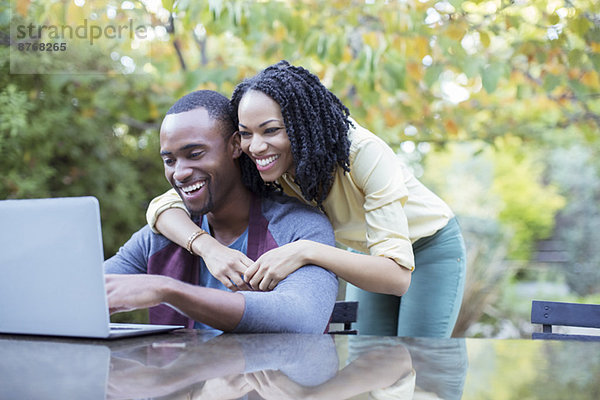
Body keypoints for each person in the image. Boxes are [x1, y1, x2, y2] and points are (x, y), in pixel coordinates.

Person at [145, 61, 466, 338]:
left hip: (427, 247)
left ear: (301, 127)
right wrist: (208, 248)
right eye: (246, 133)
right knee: (373, 361)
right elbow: (163, 207)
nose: (255, 146)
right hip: (369, 250)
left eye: (270, 130)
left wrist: (305, 250)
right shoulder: (261, 160)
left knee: (422, 364)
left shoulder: (362, 153)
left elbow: (396, 278)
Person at [104, 89, 338, 334]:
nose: (180, 173)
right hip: (183, 372)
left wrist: (170, 291)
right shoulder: (161, 237)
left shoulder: (299, 226)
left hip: (266, 372)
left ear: (236, 145)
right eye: (170, 161)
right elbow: (84, 292)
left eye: (195, 154)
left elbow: (304, 319)